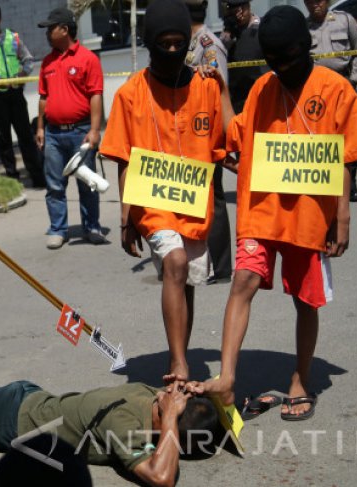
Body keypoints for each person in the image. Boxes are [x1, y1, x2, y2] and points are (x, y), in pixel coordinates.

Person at [197, 6, 357, 421]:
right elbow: (237, 135)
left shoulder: (335, 89)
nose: (283, 68)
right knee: (242, 280)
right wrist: (221, 90)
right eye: (275, 62)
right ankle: (226, 379)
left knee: (304, 300)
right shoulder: (263, 88)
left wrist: (342, 216)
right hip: (263, 209)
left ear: (306, 48)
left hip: (311, 215)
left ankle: (301, 378)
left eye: (290, 59)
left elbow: (347, 157)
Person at [99, 0, 231, 383]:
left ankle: (180, 354)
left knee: (185, 280)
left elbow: (229, 141)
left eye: (178, 44)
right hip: (152, 205)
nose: (171, 51)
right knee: (174, 262)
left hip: (193, 205)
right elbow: (124, 158)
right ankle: (179, 365)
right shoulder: (129, 94)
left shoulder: (206, 87)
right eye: (164, 44)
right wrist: (125, 219)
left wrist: (220, 89)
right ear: (150, 42)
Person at [0, 373, 221, 487]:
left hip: (24, 397)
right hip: (8, 421)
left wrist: (193, 391)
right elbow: (161, 478)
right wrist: (171, 423)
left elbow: (172, 405)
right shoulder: (127, 425)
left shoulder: (153, 394)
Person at [35, 7, 106, 249]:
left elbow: (96, 96)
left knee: (87, 183)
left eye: (50, 28)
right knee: (54, 185)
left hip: (81, 131)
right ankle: (58, 229)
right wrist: (41, 128)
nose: (47, 34)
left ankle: (92, 227)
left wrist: (95, 130)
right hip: (53, 134)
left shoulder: (88, 59)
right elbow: (43, 98)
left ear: (65, 29)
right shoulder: (47, 62)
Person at [184, 0, 233, 284]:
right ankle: (205, 259)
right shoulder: (189, 43)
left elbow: (219, 89)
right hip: (192, 133)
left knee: (214, 198)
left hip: (207, 135)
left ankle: (223, 266)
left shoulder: (208, 44)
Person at [0, 3, 44, 186]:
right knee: (4, 137)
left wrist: (21, 74)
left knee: (25, 135)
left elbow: (28, 59)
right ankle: (12, 177)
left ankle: (36, 175)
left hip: (15, 93)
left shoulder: (13, 37)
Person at [305, 0, 357, 202]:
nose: (315, 4)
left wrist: (354, 80)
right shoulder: (304, 28)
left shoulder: (345, 20)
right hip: (316, 89)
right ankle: (325, 182)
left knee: (349, 135)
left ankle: (352, 183)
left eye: (319, 0)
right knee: (321, 137)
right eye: (310, 1)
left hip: (343, 85)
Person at [220, 0, 267, 114]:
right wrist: (229, 31)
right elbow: (220, 55)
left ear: (248, 6)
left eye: (242, 9)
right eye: (235, 11)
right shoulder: (230, 31)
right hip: (236, 98)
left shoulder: (262, 27)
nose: (239, 15)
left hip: (260, 94)